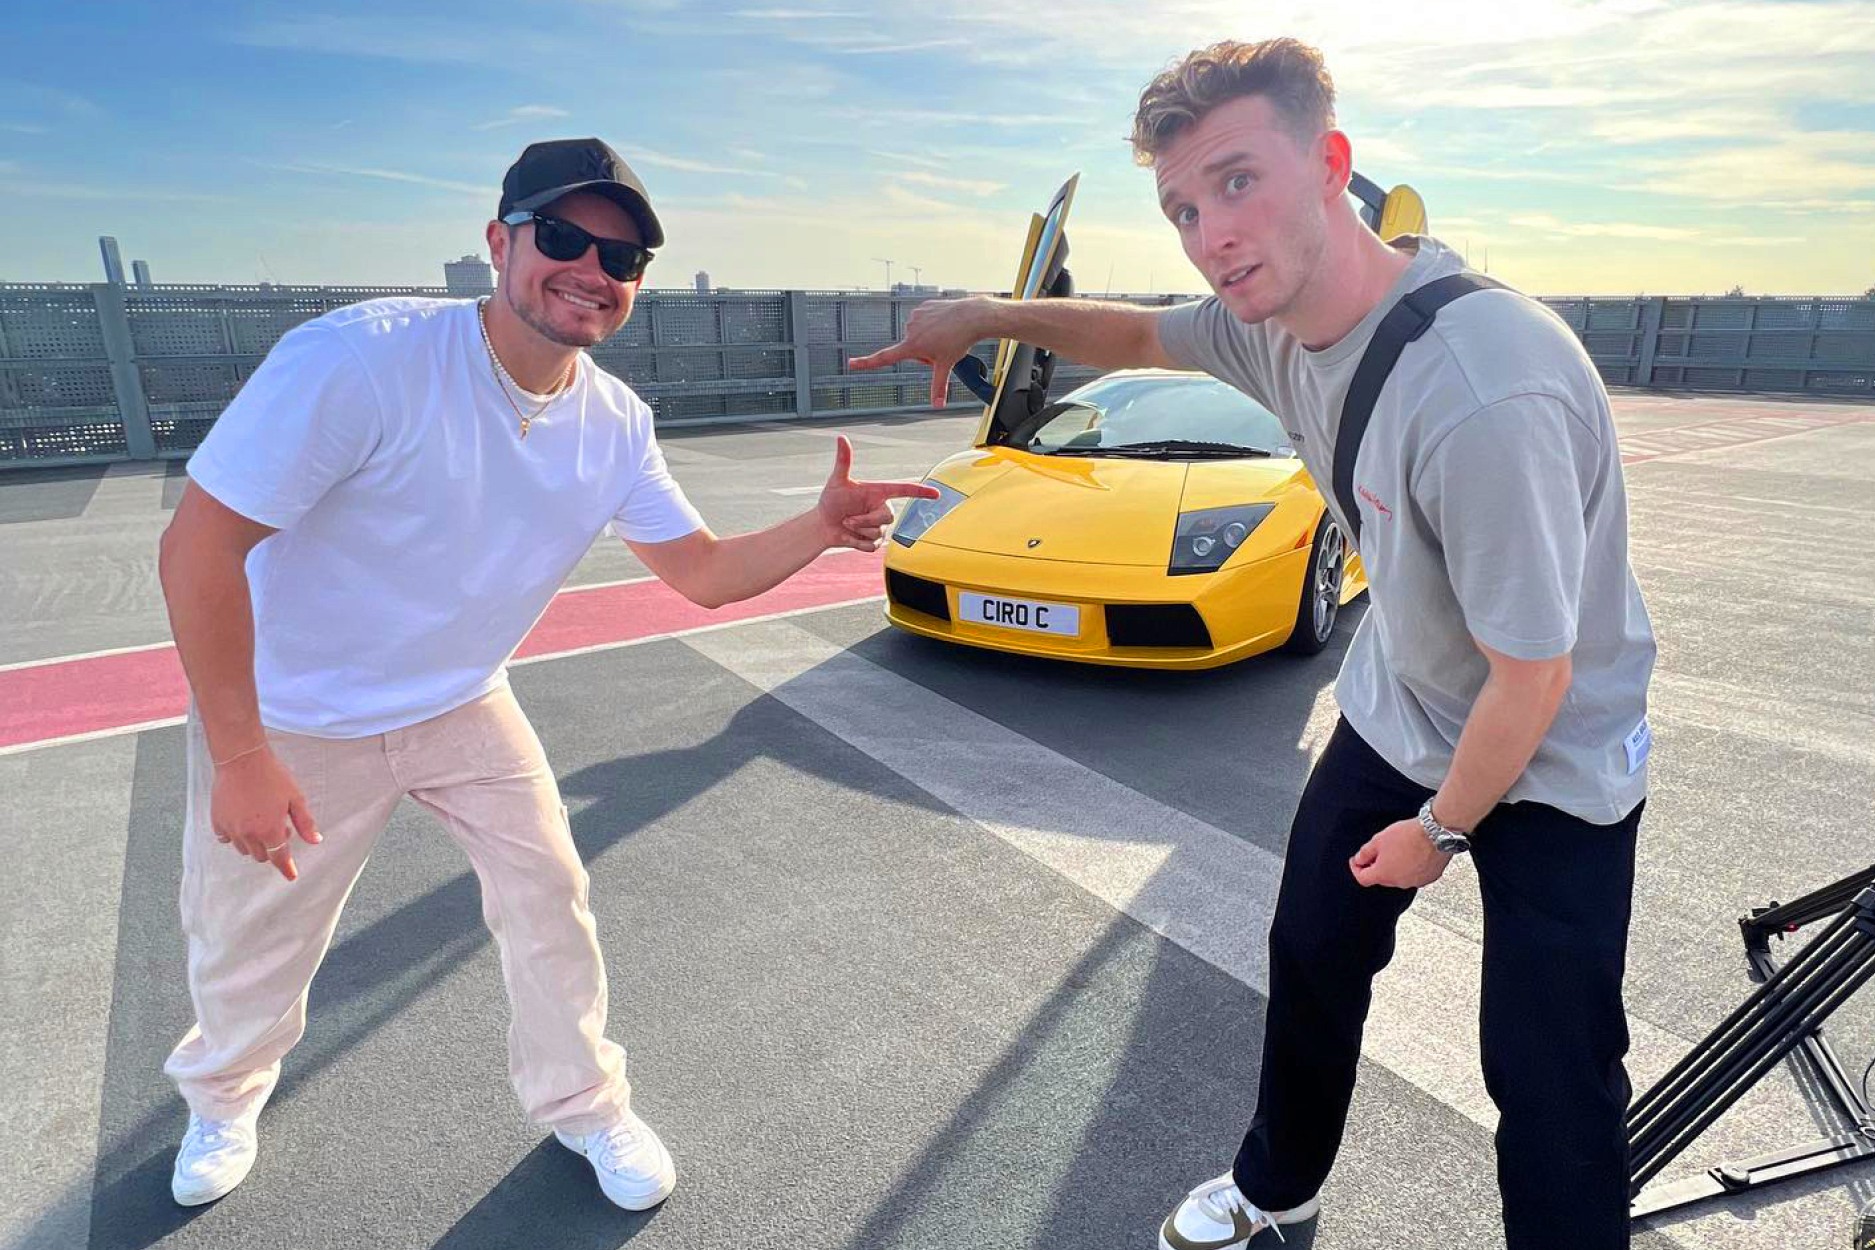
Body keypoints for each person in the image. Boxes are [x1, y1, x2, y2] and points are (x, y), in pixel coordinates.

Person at [852, 38, 1655, 1250]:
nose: (1210, 234)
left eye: (1238, 182)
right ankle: (1278, 1185)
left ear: (1330, 164)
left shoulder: (1485, 391)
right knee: (1314, 948)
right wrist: (986, 314)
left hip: (1554, 753)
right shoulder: (1268, 325)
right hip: (1405, 709)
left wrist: (1439, 832)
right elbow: (1133, 337)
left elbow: (1534, 678)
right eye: (1183, 208)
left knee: (1549, 1068)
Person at [157, 136, 936, 1211]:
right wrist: (242, 752)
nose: (590, 270)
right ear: (499, 242)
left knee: (550, 897)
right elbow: (198, 549)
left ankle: (584, 1103)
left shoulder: (615, 424)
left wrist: (817, 525)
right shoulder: (359, 361)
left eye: (621, 258)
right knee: (250, 935)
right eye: (563, 237)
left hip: (461, 698)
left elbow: (703, 573)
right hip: (291, 711)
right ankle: (223, 1093)